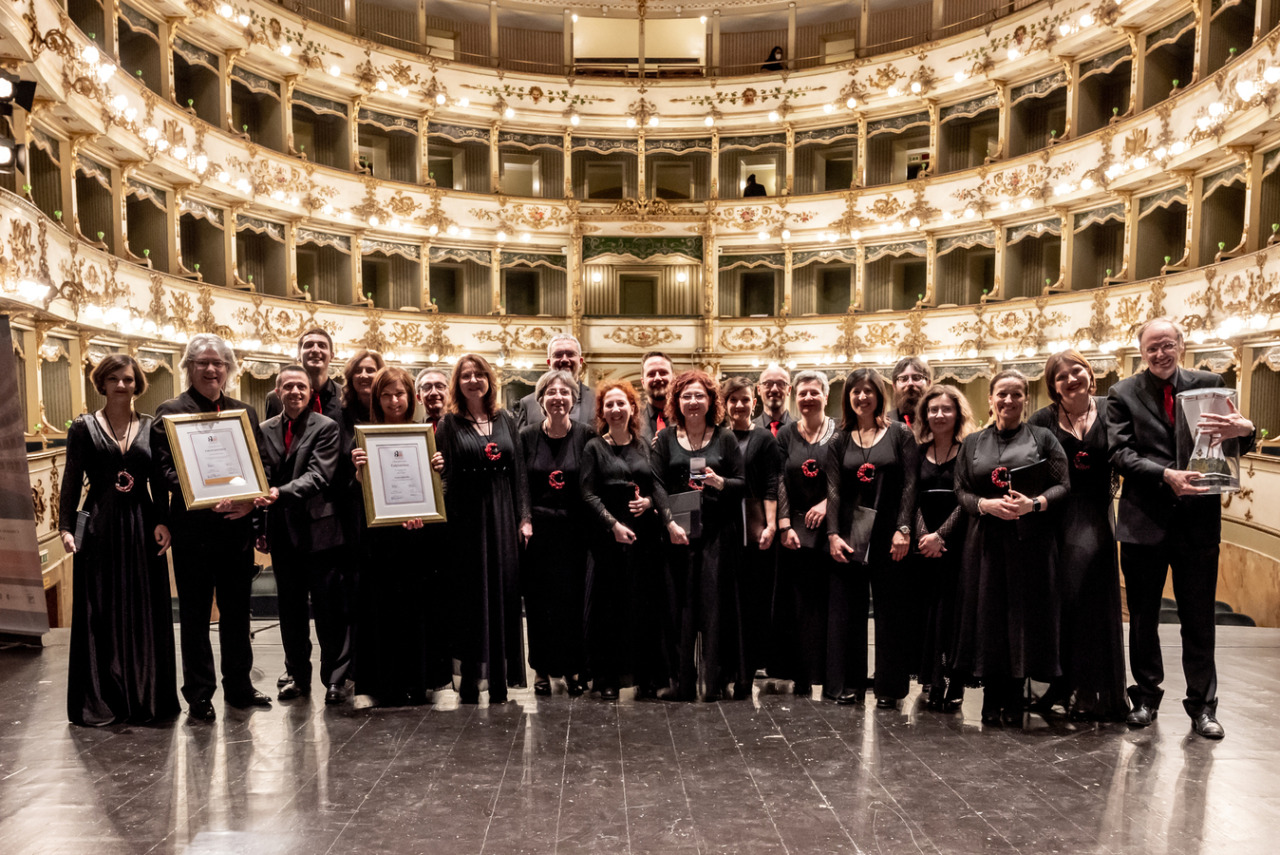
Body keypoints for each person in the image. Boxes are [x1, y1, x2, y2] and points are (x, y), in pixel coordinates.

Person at [1107, 318, 1255, 739]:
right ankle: (1146, 698)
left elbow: (1231, 441)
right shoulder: (1122, 393)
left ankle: (1202, 707)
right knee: (1143, 618)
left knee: (1198, 619)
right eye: (1152, 348)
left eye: (1167, 345)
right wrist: (1165, 475)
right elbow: (1118, 454)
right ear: (1141, 350)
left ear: (1181, 345)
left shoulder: (1211, 383)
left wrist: (1247, 431)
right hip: (1144, 523)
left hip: (1198, 523)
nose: (1160, 354)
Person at [150, 334, 270, 721]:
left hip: (235, 527)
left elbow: (260, 465)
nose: (211, 369)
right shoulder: (169, 411)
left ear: (228, 368)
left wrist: (250, 498)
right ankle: (199, 695)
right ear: (188, 367)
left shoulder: (243, 412)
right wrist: (198, 492)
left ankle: (239, 687)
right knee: (196, 616)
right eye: (202, 362)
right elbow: (163, 469)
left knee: (237, 614)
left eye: (218, 362)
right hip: (193, 530)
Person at [59, 354, 179, 726]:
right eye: (114, 379)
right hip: (98, 524)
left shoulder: (151, 426)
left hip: (142, 525)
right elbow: (71, 478)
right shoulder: (82, 427)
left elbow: (159, 481)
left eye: (128, 379)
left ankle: (146, 696)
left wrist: (164, 520)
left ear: (137, 383)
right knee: (101, 610)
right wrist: (65, 527)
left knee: (144, 609)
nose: (122, 385)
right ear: (102, 383)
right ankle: (104, 697)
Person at [953, 369, 1069, 726]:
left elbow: (1063, 485)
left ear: (1026, 399)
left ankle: (1016, 697)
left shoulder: (1044, 438)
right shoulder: (972, 442)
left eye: (1016, 394)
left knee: (1022, 618)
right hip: (985, 543)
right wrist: (984, 506)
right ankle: (991, 698)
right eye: (1002, 394)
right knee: (988, 618)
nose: (1008, 401)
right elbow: (960, 489)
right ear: (990, 399)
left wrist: (1032, 504)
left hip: (1030, 544)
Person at [1026, 350, 1128, 721]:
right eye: (1061, 376)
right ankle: (1060, 683)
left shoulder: (1112, 409)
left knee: (1092, 604)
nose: (1070, 379)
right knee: (1061, 602)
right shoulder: (1042, 420)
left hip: (1097, 516)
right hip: (1055, 518)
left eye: (1076, 371)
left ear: (1090, 373)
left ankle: (1089, 687)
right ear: (1053, 387)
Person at [350, 366, 450, 706]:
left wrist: (437, 470)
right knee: (380, 610)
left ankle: (416, 682)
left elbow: (435, 491)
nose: (394, 400)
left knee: (415, 609)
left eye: (400, 393)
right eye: (387, 394)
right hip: (378, 541)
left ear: (412, 398)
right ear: (378, 399)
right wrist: (359, 474)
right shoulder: (363, 438)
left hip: (416, 538)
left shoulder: (425, 437)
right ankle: (379, 686)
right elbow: (355, 494)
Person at [435, 353, 532, 703]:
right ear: (457, 383)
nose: (473, 380)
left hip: (504, 518)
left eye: (479, 375)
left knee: (504, 594)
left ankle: (500, 680)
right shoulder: (449, 423)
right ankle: (472, 679)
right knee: (470, 598)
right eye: (466, 376)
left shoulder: (505, 419)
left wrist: (525, 517)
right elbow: (443, 477)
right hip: (466, 521)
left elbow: (519, 471)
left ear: (490, 380)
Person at [255, 366, 349, 706]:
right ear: (277, 392)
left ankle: (335, 679)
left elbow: (319, 476)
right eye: (287, 386)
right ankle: (296, 675)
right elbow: (260, 473)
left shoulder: (327, 427)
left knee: (328, 610)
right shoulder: (264, 429)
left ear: (310, 392)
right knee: (290, 610)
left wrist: (277, 492)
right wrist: (259, 526)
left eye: (301, 387)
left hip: (320, 530)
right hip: (281, 531)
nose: (294, 391)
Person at [652, 370, 747, 701]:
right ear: (677, 401)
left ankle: (715, 680)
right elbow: (657, 483)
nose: (693, 402)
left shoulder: (725, 437)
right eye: (686, 396)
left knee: (714, 608)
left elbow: (741, 482)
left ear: (711, 401)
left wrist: (719, 482)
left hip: (717, 535)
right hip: (677, 533)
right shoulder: (664, 439)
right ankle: (682, 680)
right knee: (680, 609)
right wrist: (668, 522)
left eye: (699, 396)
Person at [826, 368, 919, 708]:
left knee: (890, 613)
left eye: (868, 390)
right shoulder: (839, 438)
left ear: (880, 394)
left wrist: (903, 529)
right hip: (852, 535)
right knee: (849, 613)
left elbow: (910, 485)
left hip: (890, 536)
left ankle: (889, 689)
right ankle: (850, 684)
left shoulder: (900, 434)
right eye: (855, 391)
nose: (862, 396)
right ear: (847, 397)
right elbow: (833, 491)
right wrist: (833, 535)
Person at [581, 381, 671, 700]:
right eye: (610, 405)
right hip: (607, 540)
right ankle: (606, 678)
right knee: (608, 610)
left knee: (643, 609)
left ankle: (645, 678)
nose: (616, 409)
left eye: (622, 404)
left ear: (632, 408)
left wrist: (650, 503)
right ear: (602, 412)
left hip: (644, 538)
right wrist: (613, 525)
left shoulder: (646, 445)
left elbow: (655, 486)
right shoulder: (594, 447)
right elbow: (588, 493)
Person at [519, 369, 595, 697]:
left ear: (574, 400)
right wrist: (524, 519)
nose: (558, 398)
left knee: (573, 602)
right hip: (538, 532)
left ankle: (574, 667)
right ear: (540, 400)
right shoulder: (526, 436)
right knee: (539, 603)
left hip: (576, 532)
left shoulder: (588, 435)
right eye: (551, 393)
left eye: (565, 393)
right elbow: (521, 483)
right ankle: (541, 668)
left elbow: (592, 484)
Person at [772, 370, 838, 697]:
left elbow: (847, 478)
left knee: (829, 604)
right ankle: (801, 675)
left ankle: (829, 675)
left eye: (814, 392)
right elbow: (780, 481)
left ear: (826, 396)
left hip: (833, 529)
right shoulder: (786, 434)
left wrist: (827, 504)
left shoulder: (839, 432)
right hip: (796, 533)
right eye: (802, 393)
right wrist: (784, 526)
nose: (808, 398)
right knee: (799, 607)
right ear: (794, 398)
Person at [912, 383, 975, 713]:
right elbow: (911, 498)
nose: (939, 414)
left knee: (954, 614)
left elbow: (966, 500)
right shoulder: (918, 452)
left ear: (957, 413)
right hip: (924, 547)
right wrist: (925, 537)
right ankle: (932, 678)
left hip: (956, 544)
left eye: (945, 409)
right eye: (933, 409)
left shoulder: (968, 450)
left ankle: (954, 681)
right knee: (927, 613)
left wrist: (941, 537)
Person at [723, 376, 780, 679]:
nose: (740, 405)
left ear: (754, 402)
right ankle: (730, 661)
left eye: (745, 399)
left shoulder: (765, 439)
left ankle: (754, 660)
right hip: (725, 526)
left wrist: (771, 525)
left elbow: (772, 483)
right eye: (733, 399)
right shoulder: (717, 437)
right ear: (724, 404)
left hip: (756, 527)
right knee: (728, 596)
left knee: (755, 596)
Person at [514, 333, 596, 429]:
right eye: (558, 355)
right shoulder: (529, 403)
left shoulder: (598, 399)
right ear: (549, 363)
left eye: (570, 354)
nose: (564, 359)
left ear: (581, 362)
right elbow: (522, 442)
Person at [265, 328, 343, 422]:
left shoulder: (347, 396)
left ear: (332, 356)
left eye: (322, 345)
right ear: (298, 355)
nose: (315, 350)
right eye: (309, 345)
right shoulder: (276, 399)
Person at [639, 351, 675, 443]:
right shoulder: (631, 420)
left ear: (673, 379)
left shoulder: (687, 417)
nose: (658, 378)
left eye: (663, 373)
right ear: (643, 382)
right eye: (651, 374)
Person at [889, 356, 931, 428]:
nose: (910, 383)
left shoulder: (939, 420)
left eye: (917, 377)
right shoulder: (884, 423)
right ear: (894, 387)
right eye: (903, 379)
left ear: (928, 384)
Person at [754, 364, 793, 435]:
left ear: (789, 390)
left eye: (781, 383)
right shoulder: (748, 430)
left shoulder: (802, 429)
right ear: (759, 390)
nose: (774, 389)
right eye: (768, 384)